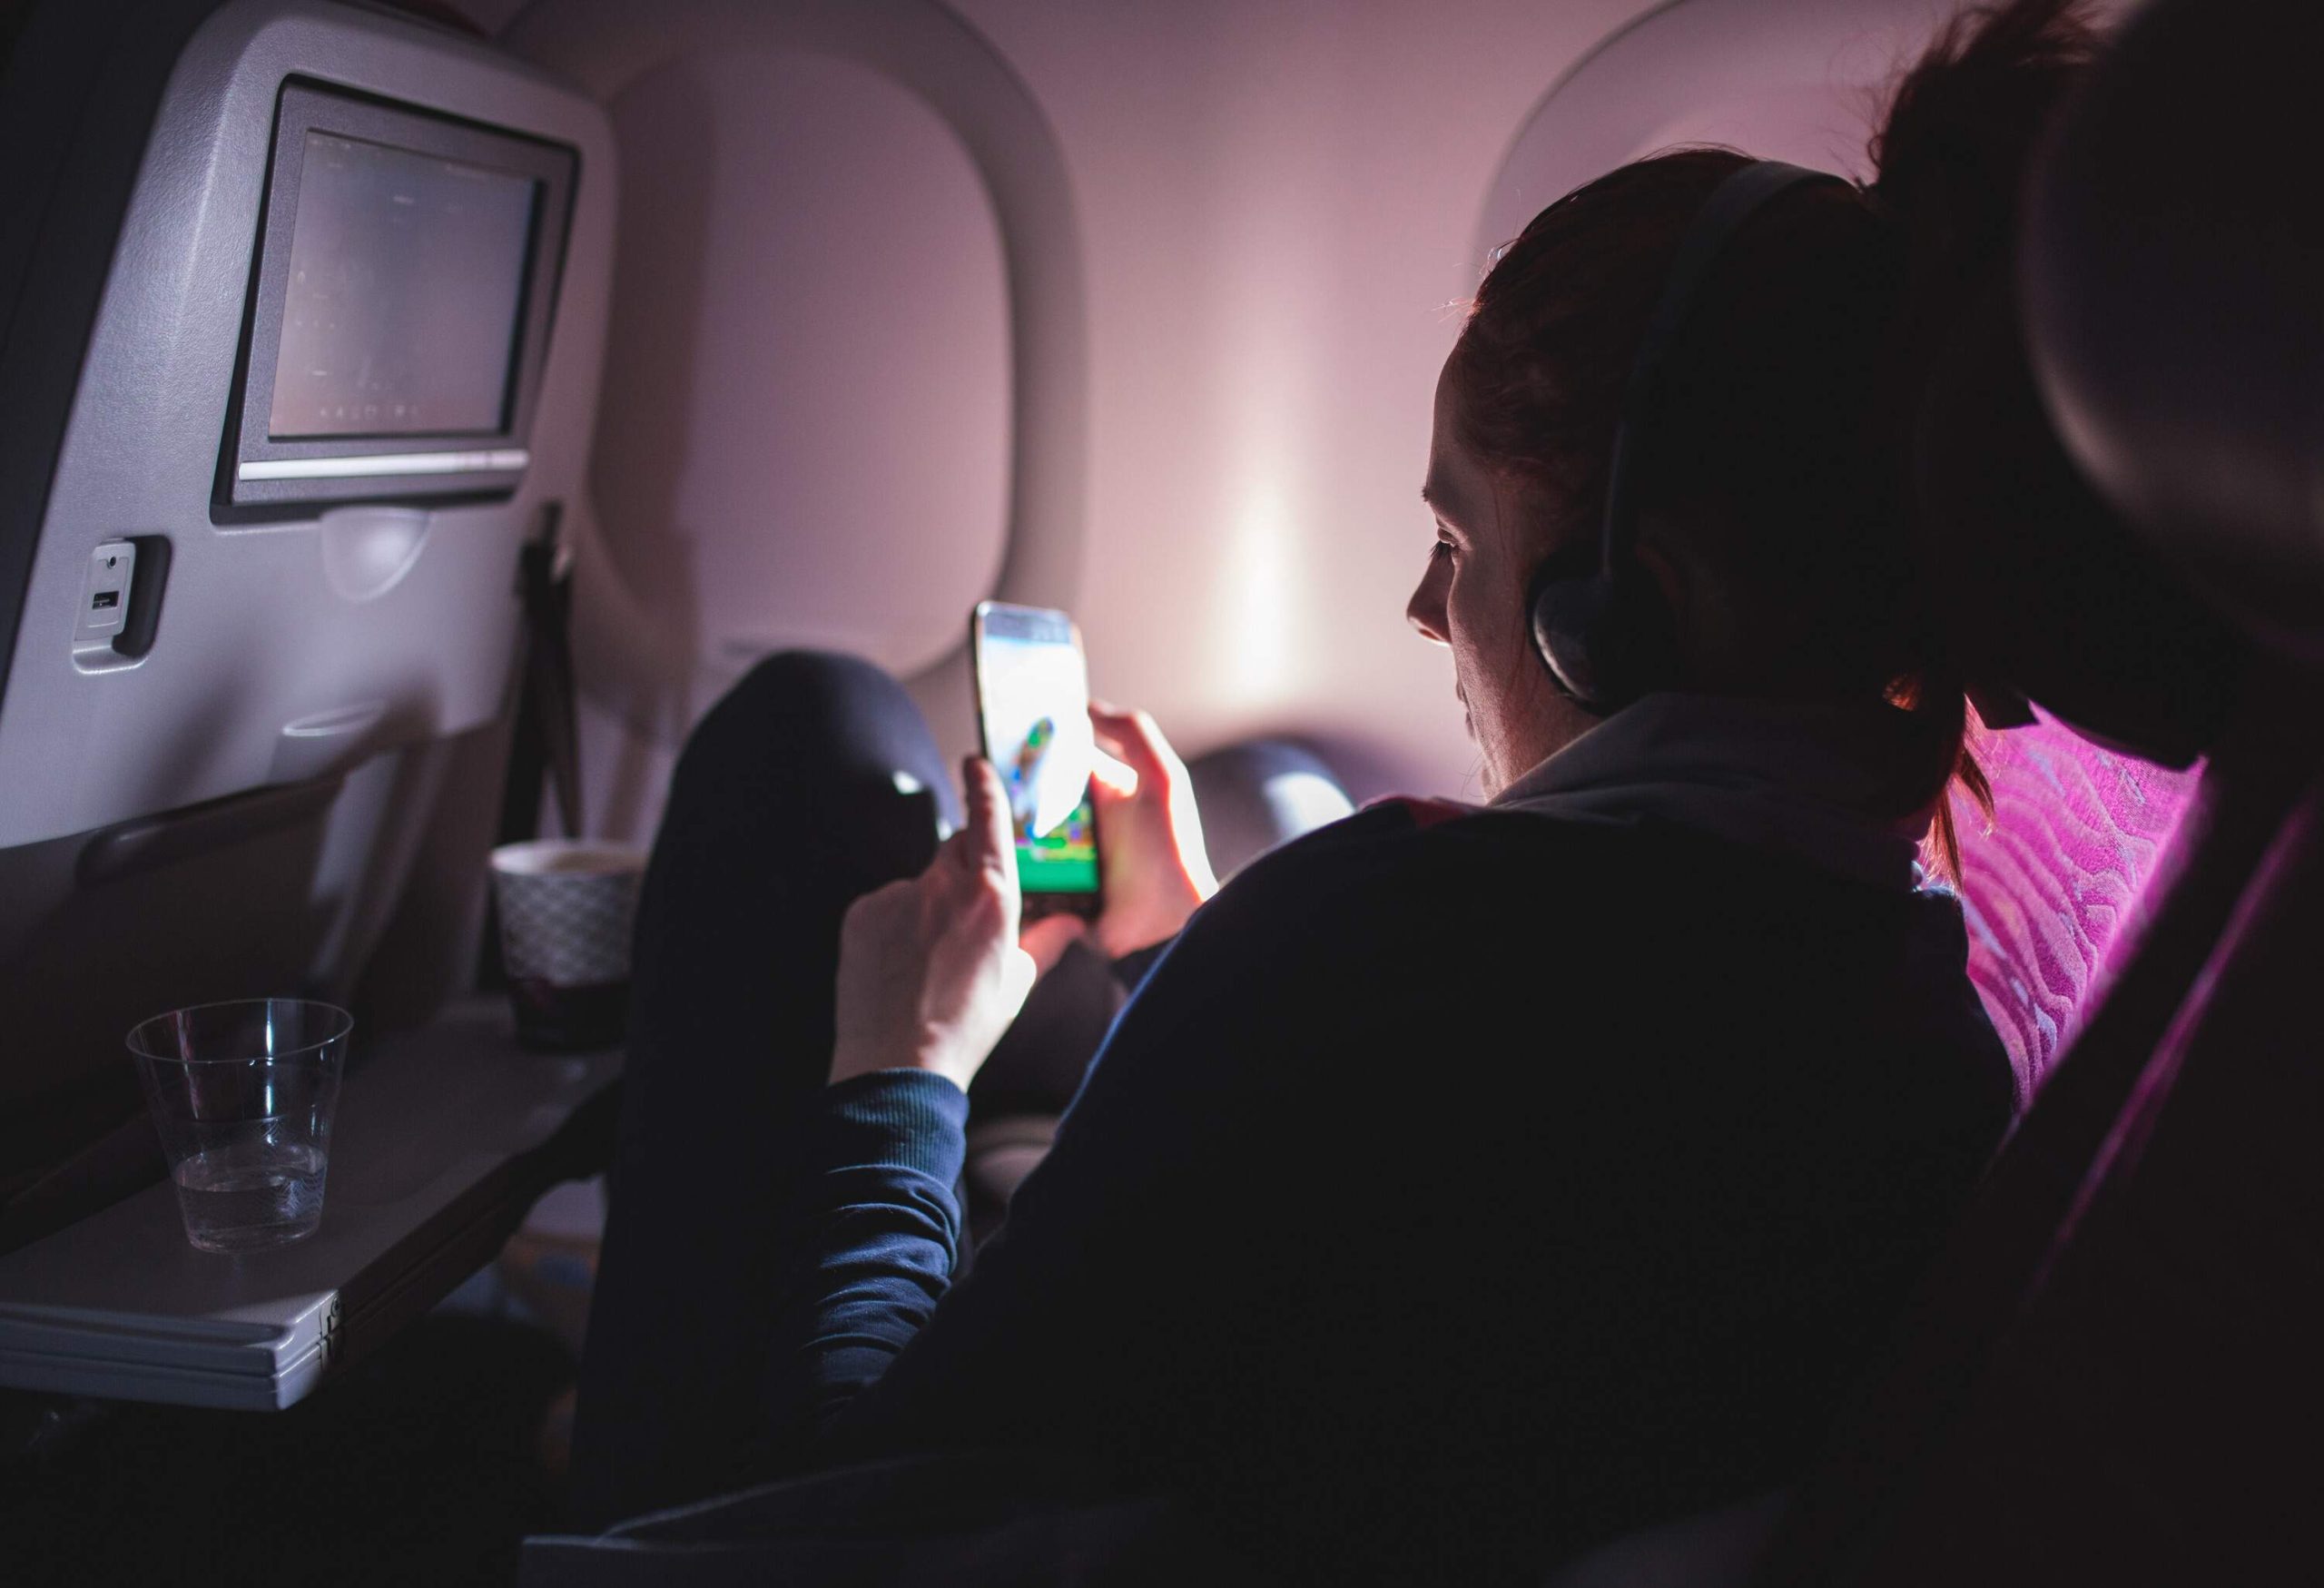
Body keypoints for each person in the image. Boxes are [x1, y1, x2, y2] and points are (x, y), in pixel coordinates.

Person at [567, 3, 2097, 1579]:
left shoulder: (1381, 930)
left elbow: (847, 1477)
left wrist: (905, 1072)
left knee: (804, 733)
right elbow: (1399, 1193)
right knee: (1260, 786)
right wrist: (1196, 950)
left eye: (1460, 546)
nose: (1427, 615)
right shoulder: (1923, 1030)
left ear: (1617, 610)